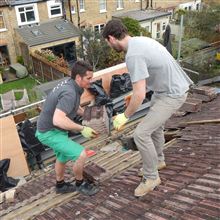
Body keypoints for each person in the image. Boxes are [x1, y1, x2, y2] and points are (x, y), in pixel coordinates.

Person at [102, 20, 193, 197]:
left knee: (141, 134)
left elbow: (140, 95)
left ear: (112, 38)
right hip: (165, 90)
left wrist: (124, 116)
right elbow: (148, 78)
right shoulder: (140, 41)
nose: (108, 45)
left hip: (172, 94)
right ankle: (158, 160)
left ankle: (151, 177)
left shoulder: (133, 55)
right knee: (155, 128)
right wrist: (135, 95)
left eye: (107, 42)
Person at [36, 61, 99, 196]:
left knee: (62, 156)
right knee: (81, 154)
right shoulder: (69, 92)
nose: (91, 81)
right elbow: (58, 119)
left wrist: (90, 114)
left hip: (53, 129)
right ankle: (80, 183)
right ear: (78, 77)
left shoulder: (72, 85)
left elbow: (73, 106)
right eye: (88, 78)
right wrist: (82, 128)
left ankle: (60, 185)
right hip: (49, 132)